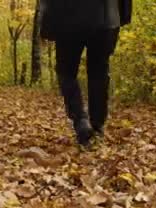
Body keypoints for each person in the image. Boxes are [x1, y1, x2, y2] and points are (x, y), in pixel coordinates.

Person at [41, 0, 133, 147]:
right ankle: (97, 127)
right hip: (106, 16)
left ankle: (81, 121)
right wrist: (123, 15)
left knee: (66, 71)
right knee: (99, 71)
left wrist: (47, 24)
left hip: (68, 17)